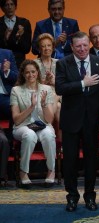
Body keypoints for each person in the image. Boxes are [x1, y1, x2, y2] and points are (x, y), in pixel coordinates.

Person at [55, 31, 99, 212]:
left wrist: (98, 117)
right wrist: (82, 83)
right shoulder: (63, 63)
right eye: (78, 46)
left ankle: (90, 196)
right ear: (72, 47)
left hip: (92, 121)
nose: (82, 49)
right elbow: (60, 88)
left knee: (91, 161)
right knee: (70, 161)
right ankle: (72, 197)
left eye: (85, 45)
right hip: (71, 121)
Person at [10, 59, 56, 188]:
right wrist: (31, 107)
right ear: (23, 74)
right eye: (27, 72)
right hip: (22, 126)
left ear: (37, 73)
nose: (31, 75)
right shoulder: (16, 90)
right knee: (30, 135)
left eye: (33, 72)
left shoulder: (47, 89)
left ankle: (51, 171)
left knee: (48, 134)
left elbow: (49, 120)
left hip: (43, 125)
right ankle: (23, 172)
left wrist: (43, 105)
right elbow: (16, 119)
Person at [34, 33, 61, 141]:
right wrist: (45, 82)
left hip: (58, 93)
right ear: (39, 49)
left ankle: (45, 124)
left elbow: (64, 84)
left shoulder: (59, 63)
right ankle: (60, 143)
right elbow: (30, 85)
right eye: (43, 46)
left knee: (56, 95)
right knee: (58, 107)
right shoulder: (34, 64)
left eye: (49, 45)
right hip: (41, 95)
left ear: (53, 47)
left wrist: (54, 82)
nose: (46, 48)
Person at [0, 0, 32, 68]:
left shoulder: (25, 23)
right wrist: (5, 38)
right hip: (2, 62)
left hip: (19, 64)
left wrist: (18, 38)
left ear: (16, 7)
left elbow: (27, 49)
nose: (10, 7)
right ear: (2, 8)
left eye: (12, 4)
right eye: (7, 5)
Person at [0, 48, 18, 120]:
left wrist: (8, 71)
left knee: (15, 105)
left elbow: (17, 77)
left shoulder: (7, 53)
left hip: (5, 95)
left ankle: (11, 130)